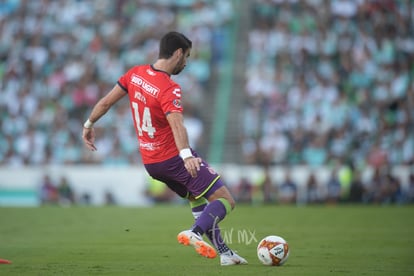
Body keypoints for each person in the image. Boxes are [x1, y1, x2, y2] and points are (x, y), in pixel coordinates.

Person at [82, 31, 247, 266]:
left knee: (195, 198)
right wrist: (187, 155)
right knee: (225, 200)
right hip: (173, 157)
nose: (186, 63)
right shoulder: (169, 88)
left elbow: (106, 102)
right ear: (177, 53)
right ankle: (195, 233)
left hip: (151, 162)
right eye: (186, 57)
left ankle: (225, 253)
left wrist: (88, 124)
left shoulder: (134, 73)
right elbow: (177, 123)